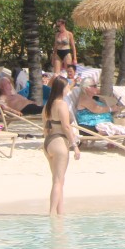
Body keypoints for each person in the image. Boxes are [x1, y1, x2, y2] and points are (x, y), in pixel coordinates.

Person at [42, 75, 81, 216]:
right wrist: (75, 145)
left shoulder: (48, 105)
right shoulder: (62, 104)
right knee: (58, 181)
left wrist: (47, 144)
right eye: (67, 87)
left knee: (58, 180)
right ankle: (52, 214)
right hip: (59, 143)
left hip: (48, 143)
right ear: (62, 89)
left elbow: (45, 127)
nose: (68, 89)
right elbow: (66, 126)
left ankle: (60, 213)